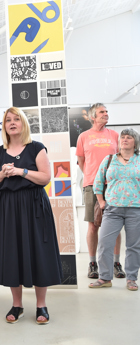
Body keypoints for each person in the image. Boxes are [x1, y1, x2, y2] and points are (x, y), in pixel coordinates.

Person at [0, 107, 62, 325]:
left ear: (23, 124)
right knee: (13, 253)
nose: (12, 123)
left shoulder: (36, 148)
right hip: (8, 207)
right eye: (8, 120)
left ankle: (41, 305)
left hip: (34, 206)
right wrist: (2, 173)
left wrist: (21, 171)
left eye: (16, 119)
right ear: (4, 126)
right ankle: (17, 304)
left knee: (39, 252)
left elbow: (46, 178)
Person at [76, 103, 125, 279]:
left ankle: (116, 262)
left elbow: (121, 158)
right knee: (92, 225)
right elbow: (81, 161)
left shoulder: (114, 135)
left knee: (115, 225)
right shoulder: (83, 136)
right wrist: (91, 177)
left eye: (106, 111)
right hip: (91, 185)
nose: (106, 114)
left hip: (113, 185)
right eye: (101, 112)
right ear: (92, 117)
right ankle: (92, 263)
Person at [89, 128, 140, 291]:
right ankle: (105, 278)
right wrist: (101, 201)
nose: (125, 139)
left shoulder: (139, 160)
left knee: (133, 246)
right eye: (122, 137)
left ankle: (131, 278)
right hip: (112, 210)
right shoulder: (109, 159)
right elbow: (98, 182)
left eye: (129, 137)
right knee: (104, 243)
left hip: (135, 209)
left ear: (135, 142)